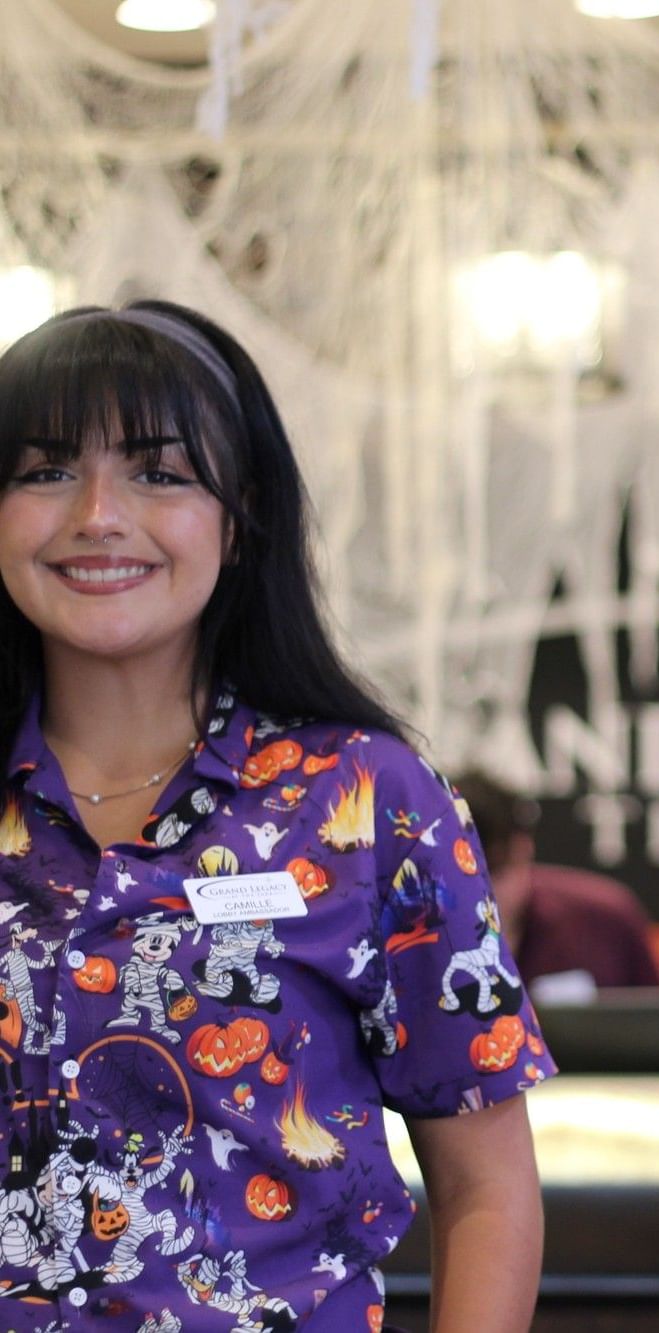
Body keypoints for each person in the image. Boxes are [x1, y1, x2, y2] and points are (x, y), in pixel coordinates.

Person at [0, 301, 556, 1332]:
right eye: (43, 470)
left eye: (158, 472)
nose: (96, 514)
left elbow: (488, 1190)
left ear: (241, 512)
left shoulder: (369, 798)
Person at [453, 771, 659, 1000]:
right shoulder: (418, 940)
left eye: (495, 875)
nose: (482, 899)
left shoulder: (607, 920)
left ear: (523, 848)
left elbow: (656, 1026)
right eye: (462, 884)